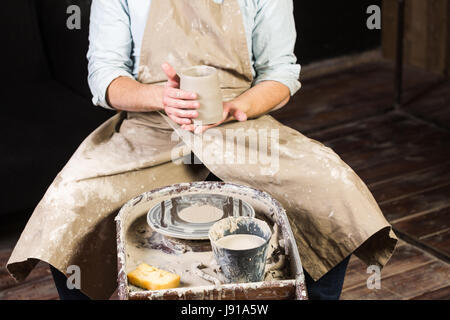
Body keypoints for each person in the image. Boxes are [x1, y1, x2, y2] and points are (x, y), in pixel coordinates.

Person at [7, 0, 397, 300]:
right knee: (68, 203)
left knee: (331, 186)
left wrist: (238, 106)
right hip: (151, 125)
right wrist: (159, 96)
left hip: (240, 126)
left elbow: (280, 73)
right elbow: (105, 76)